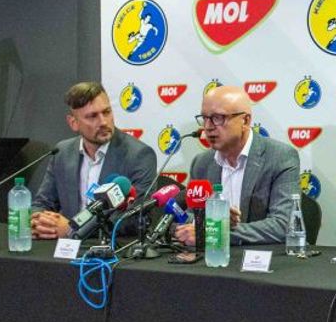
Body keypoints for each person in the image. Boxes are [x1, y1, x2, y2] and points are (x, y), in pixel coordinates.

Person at [172, 85, 300, 246]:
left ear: (245, 121)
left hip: (260, 257)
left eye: (218, 117)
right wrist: (212, 219)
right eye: (205, 118)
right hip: (212, 257)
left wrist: (216, 232)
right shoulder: (202, 163)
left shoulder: (280, 157)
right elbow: (189, 216)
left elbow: (284, 224)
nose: (208, 127)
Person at [31, 81, 157, 240]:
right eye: (92, 116)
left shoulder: (139, 155)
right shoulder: (62, 152)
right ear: (74, 123)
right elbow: (42, 203)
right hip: (66, 249)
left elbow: (133, 219)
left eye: (106, 112)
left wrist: (72, 229)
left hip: (111, 249)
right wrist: (38, 221)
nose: (103, 122)